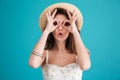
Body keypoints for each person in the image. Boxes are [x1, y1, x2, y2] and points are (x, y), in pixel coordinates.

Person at [29, 2, 91, 80]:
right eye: (55, 23)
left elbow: (85, 66)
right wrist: (46, 31)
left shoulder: (80, 53)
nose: (60, 28)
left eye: (66, 24)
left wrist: (75, 31)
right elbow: (33, 63)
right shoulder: (45, 54)